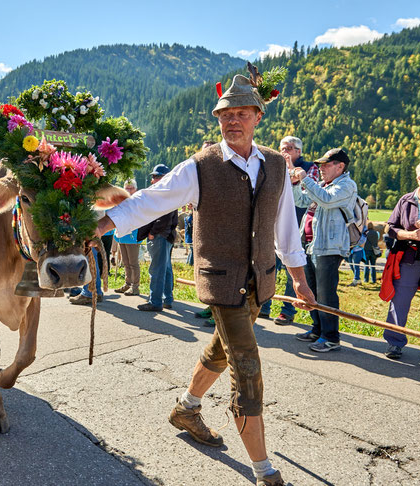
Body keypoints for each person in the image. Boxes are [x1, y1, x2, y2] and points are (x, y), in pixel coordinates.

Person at [97, 71, 315, 486]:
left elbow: (286, 229)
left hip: (261, 281)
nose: (232, 121)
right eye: (225, 114)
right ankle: (263, 469)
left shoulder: (275, 165)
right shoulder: (200, 166)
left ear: (257, 117)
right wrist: (101, 225)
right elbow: (151, 199)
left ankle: (186, 406)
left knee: (221, 349)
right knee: (246, 367)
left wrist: (300, 282)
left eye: (241, 113)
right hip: (221, 281)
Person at [291, 148, 357, 352]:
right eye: (319, 165)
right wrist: (295, 183)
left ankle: (331, 337)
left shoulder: (346, 185)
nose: (321, 169)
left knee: (326, 294)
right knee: (312, 290)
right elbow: (300, 201)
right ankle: (317, 329)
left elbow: (326, 200)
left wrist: (305, 179)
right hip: (311, 245)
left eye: (326, 165)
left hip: (328, 246)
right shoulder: (322, 184)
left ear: (340, 166)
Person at [382, 159, 420, 361]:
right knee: (399, 301)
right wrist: (412, 235)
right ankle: (394, 342)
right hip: (408, 258)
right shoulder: (407, 200)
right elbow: (390, 228)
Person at [259, 136, 319, 324]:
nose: (285, 151)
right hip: (275, 220)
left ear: (299, 152)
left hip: (299, 222)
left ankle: (287, 311)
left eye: (290, 148)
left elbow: (310, 194)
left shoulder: (310, 168)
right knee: (270, 266)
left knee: (293, 268)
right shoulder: (275, 167)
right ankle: (265, 305)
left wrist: (293, 173)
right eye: (282, 148)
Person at [135, 164, 178, 312]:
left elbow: (163, 217)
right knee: (165, 269)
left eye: (157, 176)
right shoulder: (169, 192)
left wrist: (152, 233)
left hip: (160, 236)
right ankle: (167, 298)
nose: (154, 179)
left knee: (157, 270)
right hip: (166, 236)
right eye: (154, 176)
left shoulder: (164, 193)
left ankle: (155, 301)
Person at [113, 180, 141, 296]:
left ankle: (135, 286)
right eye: (127, 188)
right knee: (125, 262)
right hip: (122, 235)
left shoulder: (138, 201)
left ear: (135, 189)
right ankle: (127, 283)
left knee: (133, 262)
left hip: (133, 235)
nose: (128, 190)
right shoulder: (121, 200)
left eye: (131, 188)